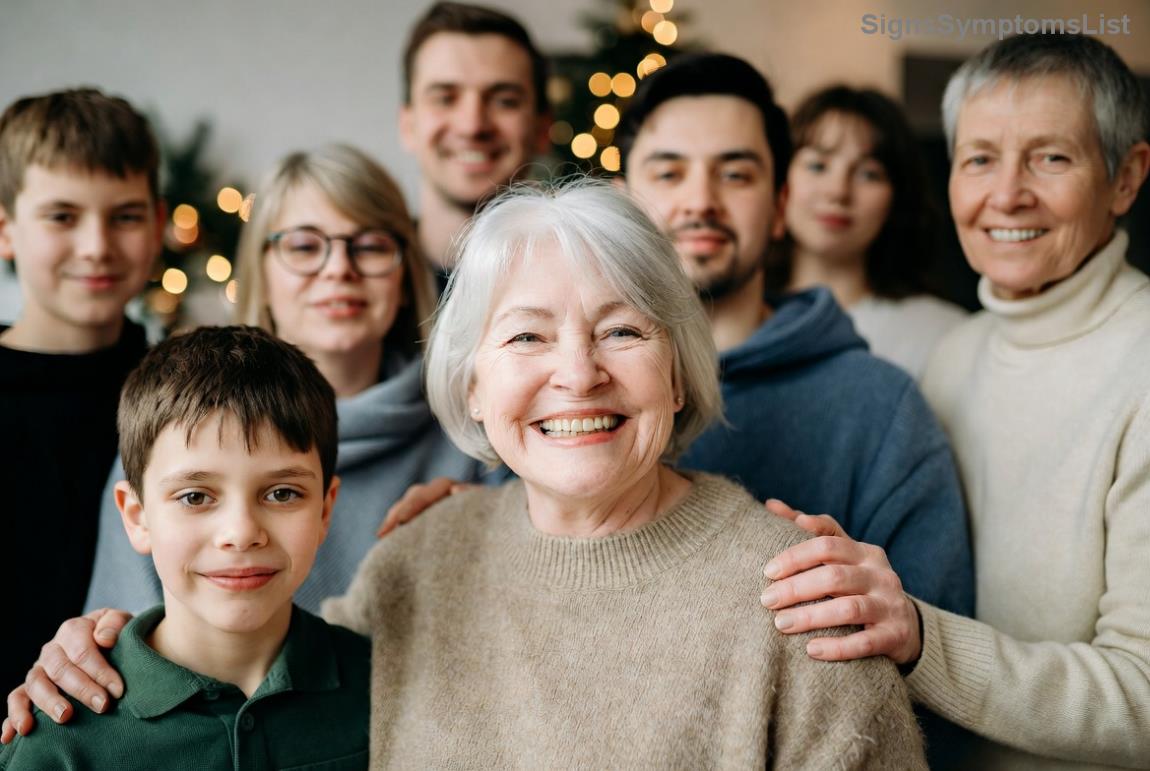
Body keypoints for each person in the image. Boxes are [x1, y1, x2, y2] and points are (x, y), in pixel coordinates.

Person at [321, 179, 925, 766]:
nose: (579, 375)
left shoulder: (804, 599)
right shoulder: (415, 559)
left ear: (678, 376)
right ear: (473, 386)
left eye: (621, 330)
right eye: (528, 335)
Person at [758, 34, 1150, 769]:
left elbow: (1144, 699)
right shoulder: (955, 355)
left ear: (1126, 178)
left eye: (1051, 157)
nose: (1006, 195)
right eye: (979, 159)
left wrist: (921, 636)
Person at [83, 144, 484, 620]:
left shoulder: (473, 426)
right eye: (304, 246)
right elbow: (119, 639)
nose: (339, 269)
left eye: (371, 245)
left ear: (403, 277)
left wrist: (500, 519)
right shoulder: (176, 428)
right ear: (261, 273)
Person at [0, 325, 370, 769]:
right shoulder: (58, 740)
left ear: (325, 510)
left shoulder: (382, 685)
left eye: (282, 493)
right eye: (195, 496)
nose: (240, 532)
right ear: (137, 517)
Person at [0, 88, 162, 695]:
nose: (96, 246)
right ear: (7, 230)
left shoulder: (187, 394)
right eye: (62, 216)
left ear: (158, 224)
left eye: (124, 215)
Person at [771, 85, 967, 379]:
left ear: (898, 197)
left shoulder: (943, 334)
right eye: (817, 165)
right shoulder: (730, 315)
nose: (838, 191)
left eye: (868, 173)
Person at [400, 1, 550, 286]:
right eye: (445, 98)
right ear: (407, 125)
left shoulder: (586, 283)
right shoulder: (360, 292)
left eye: (504, 101)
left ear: (543, 128)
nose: (472, 125)